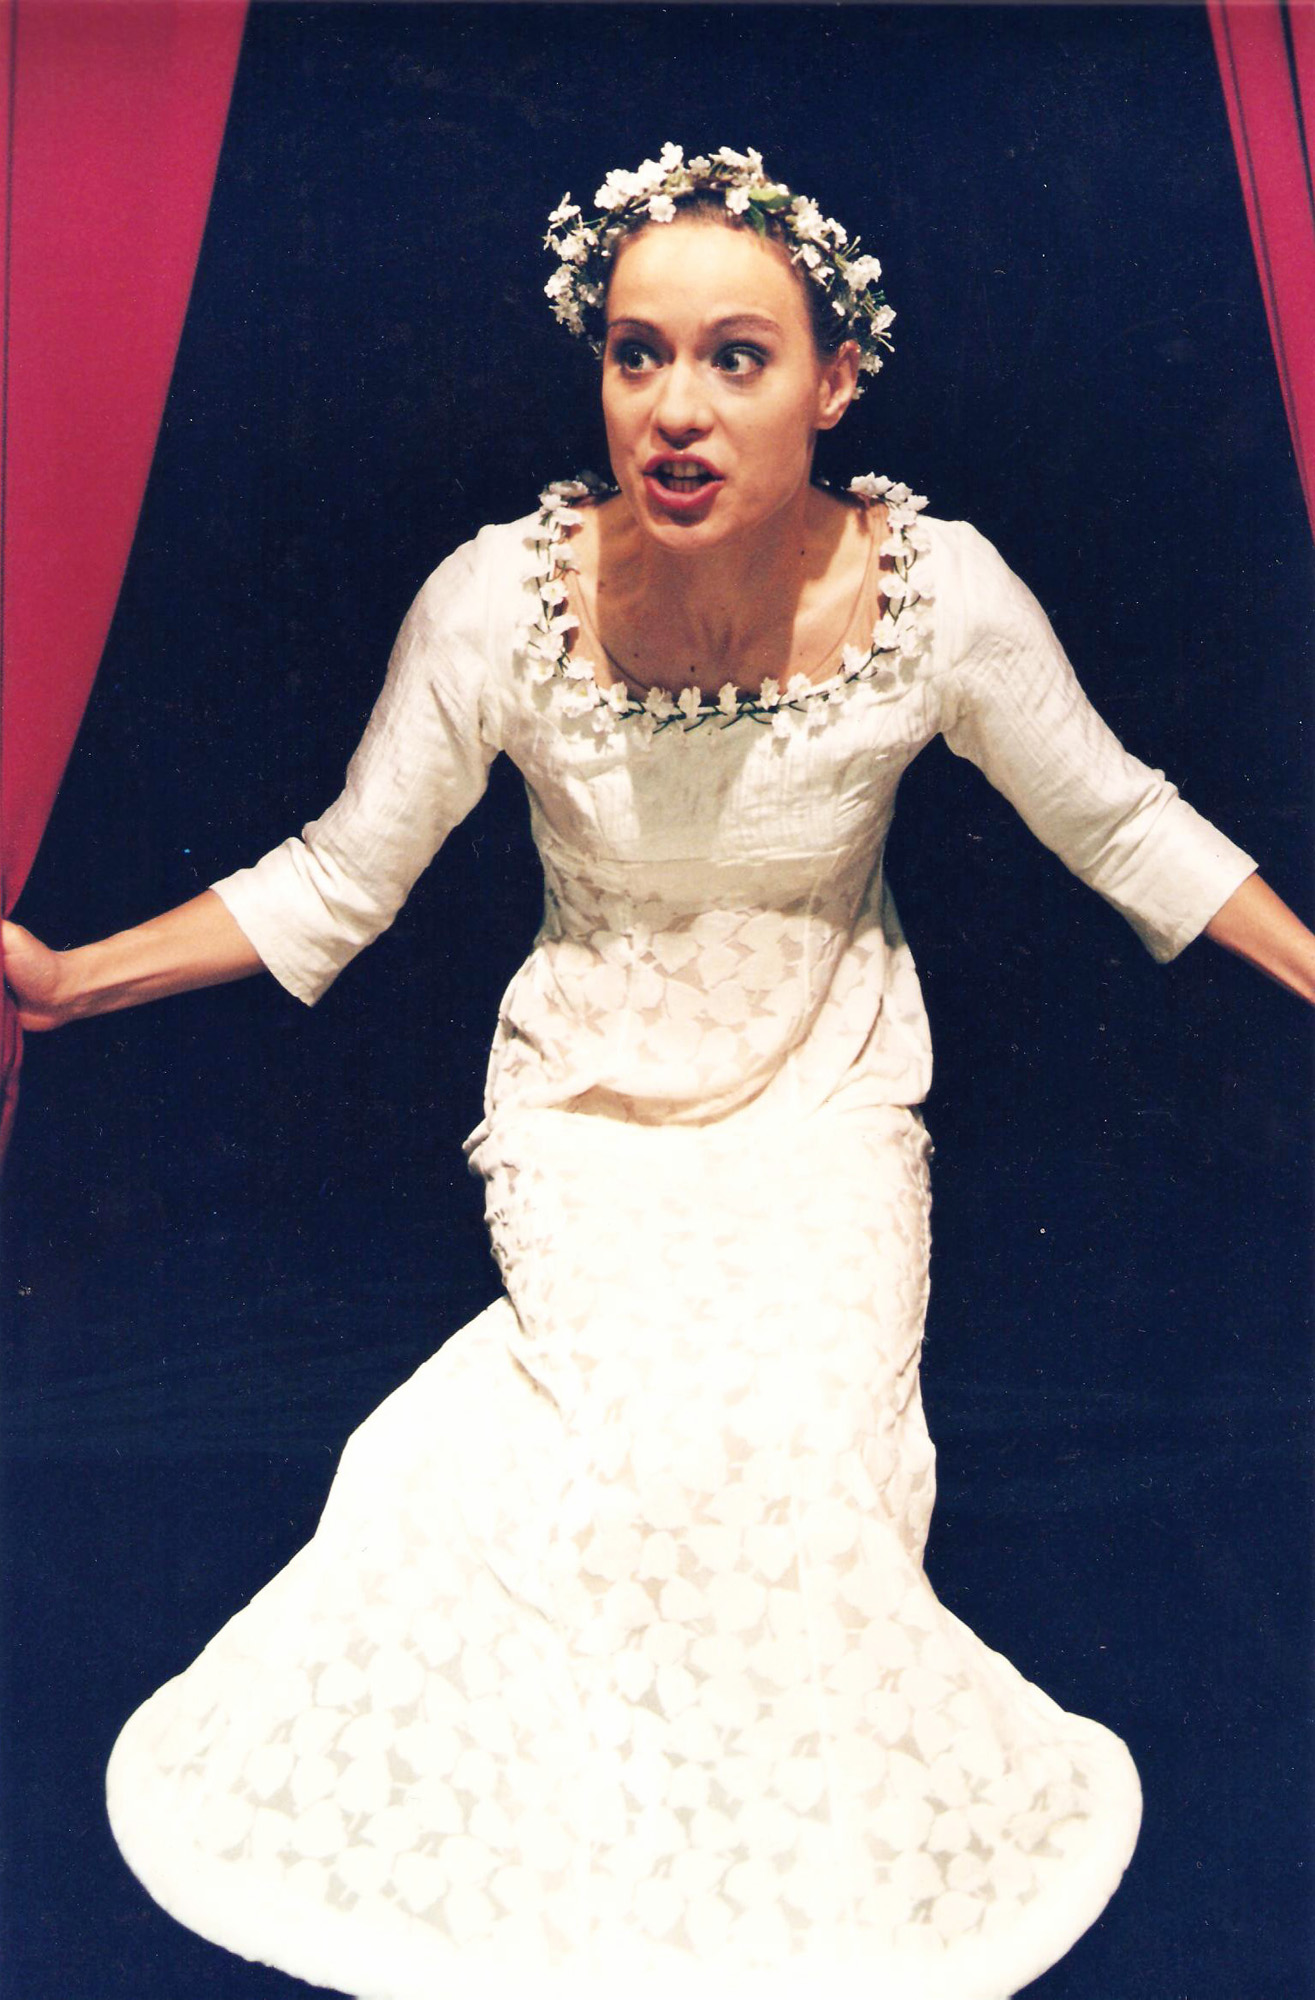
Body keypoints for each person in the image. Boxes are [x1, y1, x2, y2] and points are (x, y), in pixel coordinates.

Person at [3, 143, 1312, 2000]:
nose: (674, 411)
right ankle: (602, 1870)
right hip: (590, 1121)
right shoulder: (498, 604)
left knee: (796, 1466)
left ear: (834, 382)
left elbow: (1122, 823)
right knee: (599, 1476)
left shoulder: (938, 595)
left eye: (733, 358)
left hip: (825, 1113)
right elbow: (337, 878)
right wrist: (69, 983)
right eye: (637, 356)